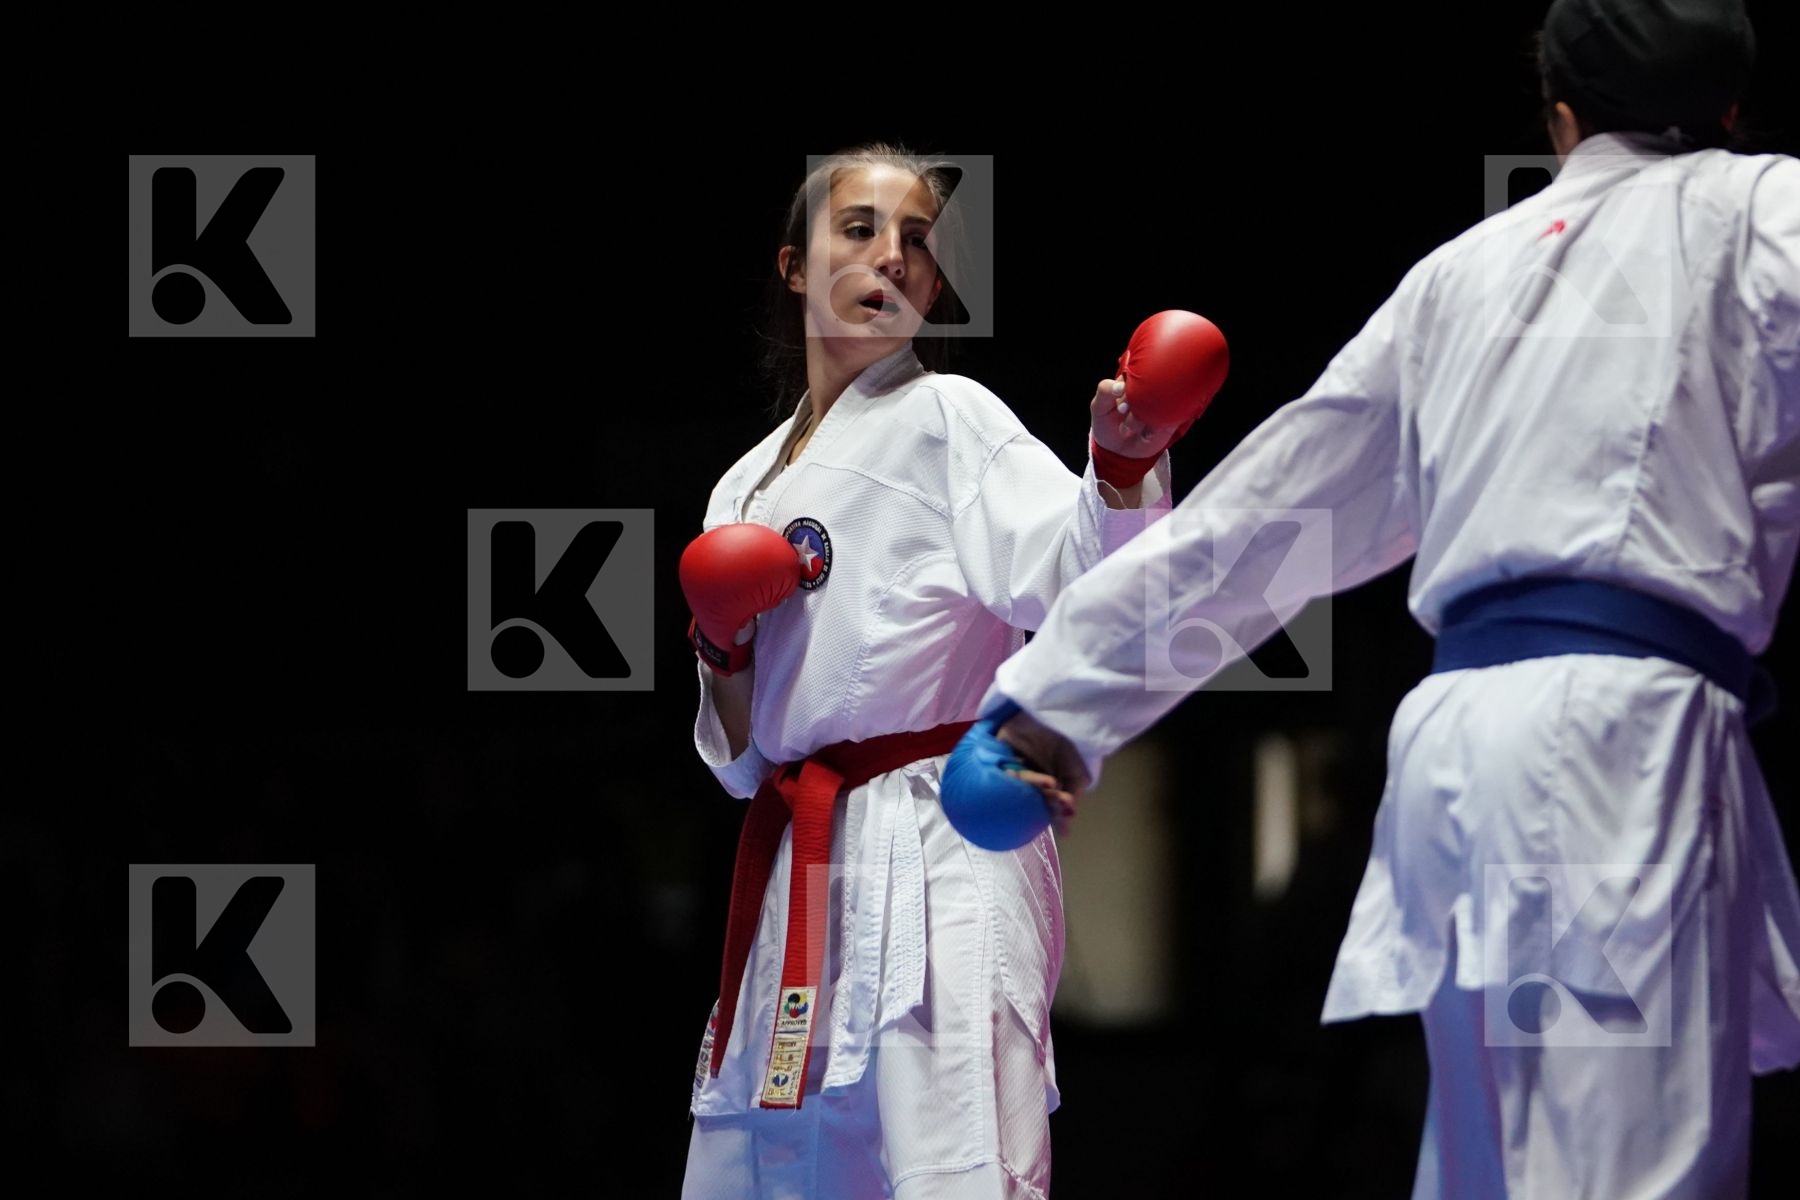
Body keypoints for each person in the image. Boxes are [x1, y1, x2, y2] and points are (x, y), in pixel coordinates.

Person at [955, 2, 1800, 1195]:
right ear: (1728, 108)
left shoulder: (1459, 275)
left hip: (1463, 758)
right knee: (1626, 1170)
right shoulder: (1763, 212)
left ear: (1560, 117)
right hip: (1619, 746)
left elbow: (1268, 519)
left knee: (1485, 1167)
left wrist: (1049, 699)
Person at [678, 143, 1180, 1199]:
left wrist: (1123, 467)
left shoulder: (954, 419)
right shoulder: (741, 485)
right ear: (795, 268)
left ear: (937, 283)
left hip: (947, 834)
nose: (892, 257)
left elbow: (1083, 579)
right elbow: (739, 763)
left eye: (918, 242)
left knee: (955, 1167)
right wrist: (720, 644)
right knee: (787, 1168)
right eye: (859, 229)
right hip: (804, 862)